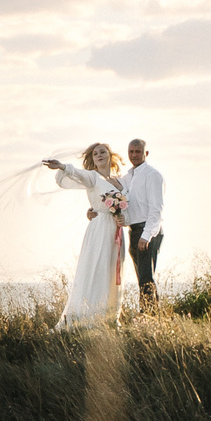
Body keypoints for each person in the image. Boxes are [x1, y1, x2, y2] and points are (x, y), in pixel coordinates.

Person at [41, 143, 128, 328]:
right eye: (95, 154)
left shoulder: (121, 181)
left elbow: (131, 203)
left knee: (114, 270)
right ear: (93, 159)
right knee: (98, 268)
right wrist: (62, 166)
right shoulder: (93, 177)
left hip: (117, 232)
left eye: (102, 152)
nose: (99, 155)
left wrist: (123, 217)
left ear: (110, 155)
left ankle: (111, 318)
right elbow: (78, 174)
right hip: (100, 229)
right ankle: (89, 317)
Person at [124, 139, 165, 308]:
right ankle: (150, 314)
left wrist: (146, 236)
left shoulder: (152, 175)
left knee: (146, 277)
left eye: (138, 152)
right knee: (142, 277)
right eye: (131, 152)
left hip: (148, 231)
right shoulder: (128, 177)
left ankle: (149, 316)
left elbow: (156, 209)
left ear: (145, 153)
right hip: (134, 230)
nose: (134, 155)